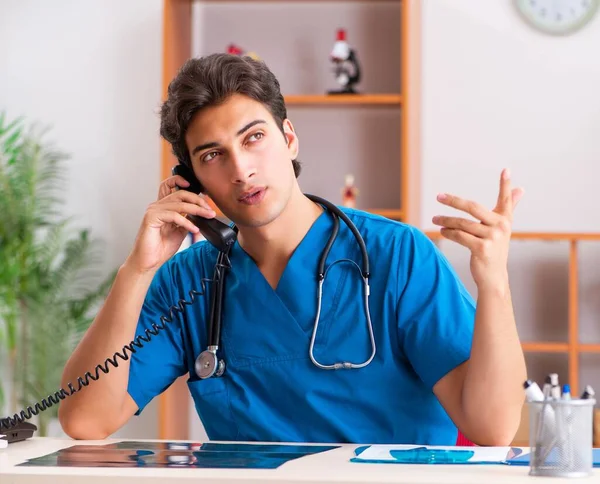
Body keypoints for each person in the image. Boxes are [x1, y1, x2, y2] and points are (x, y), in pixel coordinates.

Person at [58, 53, 526, 446]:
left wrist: (495, 284)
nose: (241, 169)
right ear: (191, 181)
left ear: (288, 138)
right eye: (212, 155)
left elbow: (493, 429)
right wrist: (137, 270)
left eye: (253, 137)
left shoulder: (397, 256)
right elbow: (84, 419)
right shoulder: (189, 282)